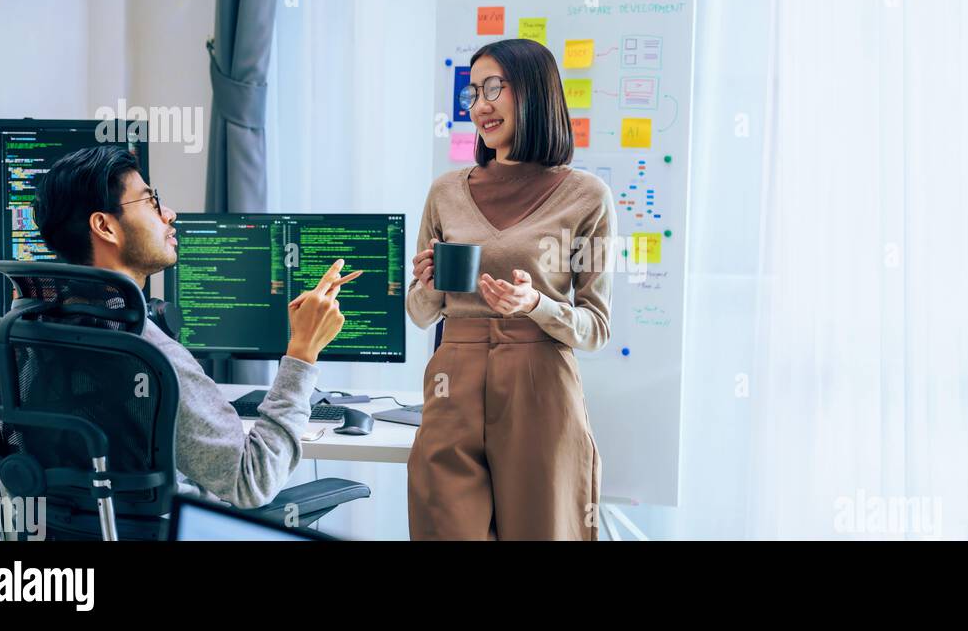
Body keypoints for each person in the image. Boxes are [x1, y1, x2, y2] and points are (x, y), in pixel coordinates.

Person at [32, 145, 360, 508]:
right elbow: (252, 482)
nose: (168, 214)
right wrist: (303, 351)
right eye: (151, 202)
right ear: (105, 226)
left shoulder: (36, 332)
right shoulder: (149, 354)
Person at [406, 38, 616, 540]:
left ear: (536, 92)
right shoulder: (446, 192)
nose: (480, 104)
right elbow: (419, 313)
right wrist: (430, 284)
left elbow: (596, 328)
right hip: (452, 382)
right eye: (473, 91)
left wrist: (537, 305)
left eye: (494, 87)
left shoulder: (587, 197)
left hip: (540, 387)